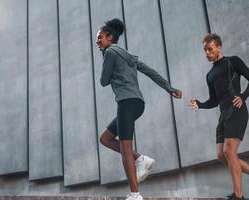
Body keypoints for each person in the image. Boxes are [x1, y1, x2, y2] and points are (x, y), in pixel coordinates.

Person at [96, 18, 182, 200]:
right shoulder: (128, 56)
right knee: (106, 138)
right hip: (137, 104)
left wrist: (105, 58)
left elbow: (103, 81)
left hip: (126, 103)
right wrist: (170, 88)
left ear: (110, 37)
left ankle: (135, 195)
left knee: (125, 150)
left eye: (100, 37)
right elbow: (150, 72)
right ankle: (141, 159)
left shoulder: (110, 52)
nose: (97, 41)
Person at [189, 33, 249, 200]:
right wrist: (200, 104)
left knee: (230, 151)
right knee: (222, 155)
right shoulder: (210, 75)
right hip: (223, 114)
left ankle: (238, 196)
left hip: (237, 110)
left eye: (209, 49)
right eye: (204, 50)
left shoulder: (233, 61)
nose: (206, 53)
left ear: (218, 47)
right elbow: (214, 101)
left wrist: (243, 96)